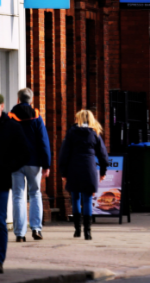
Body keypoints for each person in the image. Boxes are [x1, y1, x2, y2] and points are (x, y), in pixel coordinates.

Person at [58, 110, 109, 241]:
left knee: (75, 198)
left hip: (73, 168)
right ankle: (88, 232)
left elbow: (64, 153)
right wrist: (103, 172)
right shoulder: (94, 133)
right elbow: (103, 155)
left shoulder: (71, 133)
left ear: (78, 119)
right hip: (89, 167)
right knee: (87, 199)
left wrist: (63, 172)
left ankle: (77, 230)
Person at [8, 88, 51, 242]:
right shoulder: (37, 117)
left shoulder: (10, 117)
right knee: (35, 194)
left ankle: (19, 233)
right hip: (34, 162)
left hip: (15, 163)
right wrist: (46, 164)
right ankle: (36, 229)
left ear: (18, 100)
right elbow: (43, 141)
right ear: (31, 100)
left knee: (18, 196)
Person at [0, 94, 30, 274]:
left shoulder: (12, 127)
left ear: (1, 106)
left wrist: (8, 167)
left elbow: (25, 153)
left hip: (1, 181)